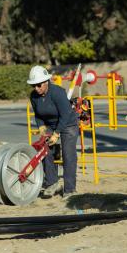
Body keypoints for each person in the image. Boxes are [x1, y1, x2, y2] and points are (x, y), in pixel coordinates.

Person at [27, 65, 79, 200]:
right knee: (44, 151)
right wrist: (42, 128)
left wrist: (56, 134)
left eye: (38, 85)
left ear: (46, 82)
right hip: (50, 124)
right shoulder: (34, 96)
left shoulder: (57, 93)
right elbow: (38, 115)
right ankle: (52, 183)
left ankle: (70, 189)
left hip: (68, 123)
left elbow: (65, 114)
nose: (36, 88)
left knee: (68, 155)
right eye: (33, 86)